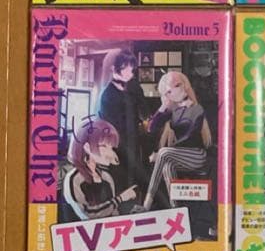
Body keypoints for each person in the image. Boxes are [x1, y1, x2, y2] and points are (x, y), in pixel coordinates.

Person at [142, 71, 211, 210]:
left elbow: (189, 135)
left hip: (197, 155)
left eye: (178, 85)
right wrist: (163, 107)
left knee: (163, 153)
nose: (174, 91)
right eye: (168, 91)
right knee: (167, 166)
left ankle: (147, 203)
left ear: (185, 86)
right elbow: (151, 127)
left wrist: (161, 154)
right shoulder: (173, 110)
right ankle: (176, 208)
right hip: (179, 156)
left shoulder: (196, 108)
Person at [64, 118, 137, 220]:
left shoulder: (107, 177)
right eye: (104, 146)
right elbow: (88, 214)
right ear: (87, 147)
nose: (110, 153)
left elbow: (113, 211)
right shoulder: (74, 179)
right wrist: (120, 198)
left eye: (111, 148)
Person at [97, 50, 148, 192]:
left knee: (136, 183)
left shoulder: (133, 88)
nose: (131, 72)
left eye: (132, 68)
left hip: (134, 141)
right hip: (117, 145)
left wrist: (138, 93)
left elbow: (144, 113)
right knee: (121, 183)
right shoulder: (108, 94)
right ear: (114, 68)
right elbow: (109, 127)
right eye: (127, 68)